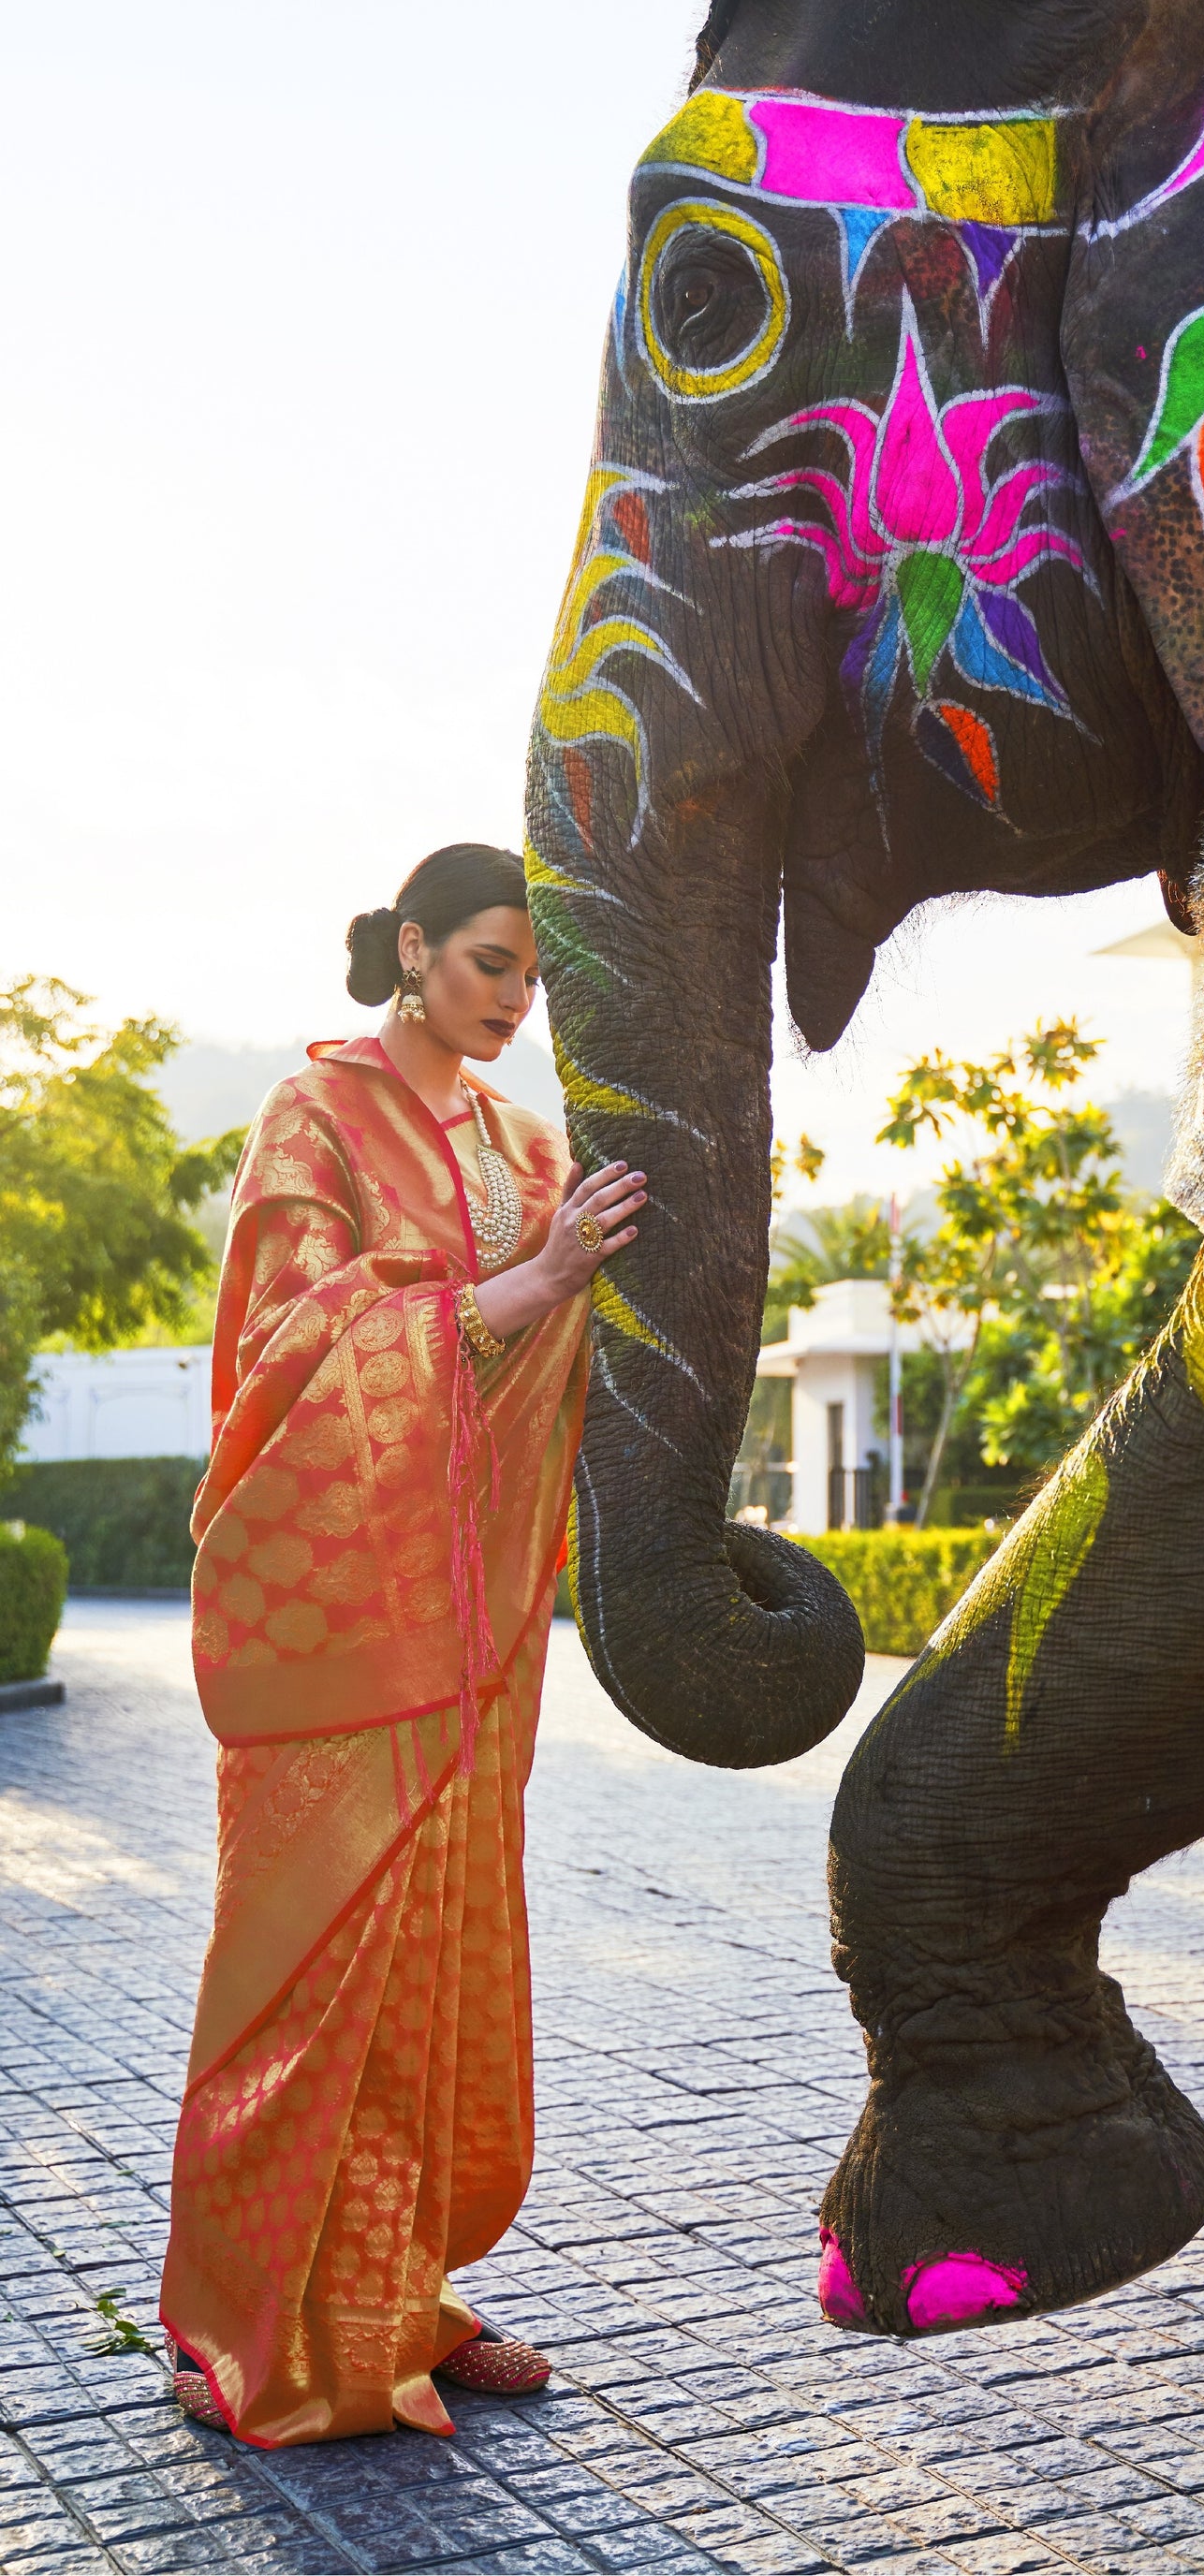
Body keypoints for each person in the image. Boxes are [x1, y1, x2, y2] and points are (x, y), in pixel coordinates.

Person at [159, 842, 644, 2445]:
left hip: (471, 1632)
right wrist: (535, 1277)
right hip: (344, 1626)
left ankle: (402, 2304)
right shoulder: (315, 1114)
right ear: (415, 950)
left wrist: (583, 1274)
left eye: (532, 974)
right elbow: (295, 1354)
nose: (515, 997)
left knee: (433, 1972)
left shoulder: (525, 1140)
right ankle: (240, 2325)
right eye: (492, 962)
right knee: (306, 1980)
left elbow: (566, 1352)